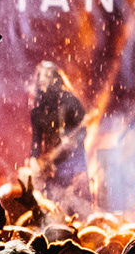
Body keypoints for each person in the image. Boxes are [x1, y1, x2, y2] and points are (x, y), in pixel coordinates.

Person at [27, 61, 89, 210]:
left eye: (47, 75)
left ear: (56, 79)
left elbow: (83, 130)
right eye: (41, 76)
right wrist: (34, 159)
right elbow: (36, 140)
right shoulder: (37, 108)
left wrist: (74, 143)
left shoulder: (71, 101)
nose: (43, 79)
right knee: (51, 207)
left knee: (79, 206)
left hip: (74, 164)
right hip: (51, 165)